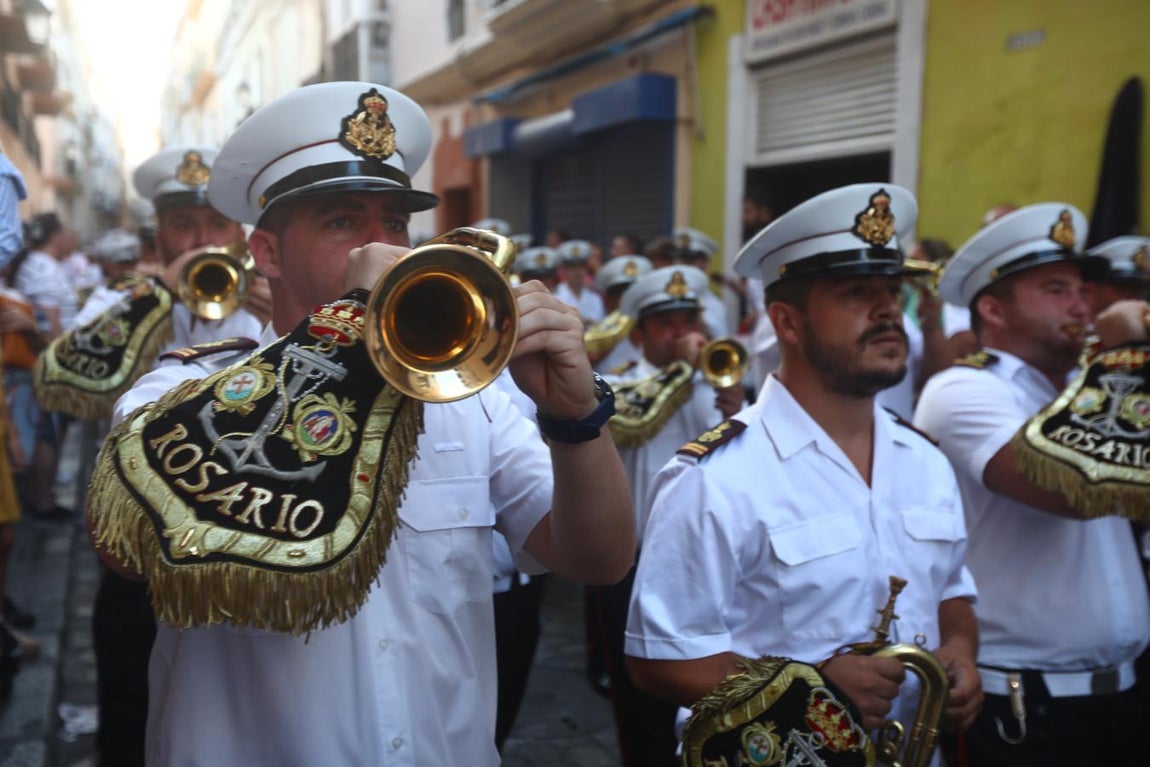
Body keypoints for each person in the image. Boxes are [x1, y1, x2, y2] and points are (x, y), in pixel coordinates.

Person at [87, 81, 635, 766]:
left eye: (396, 224)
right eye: (343, 222)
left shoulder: (471, 401)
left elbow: (599, 558)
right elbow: (124, 549)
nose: (382, 247)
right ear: (268, 253)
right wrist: (345, 325)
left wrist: (575, 418)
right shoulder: (181, 388)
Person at [625, 184, 982, 766]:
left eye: (893, 290)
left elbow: (952, 588)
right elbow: (660, 659)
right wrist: (811, 689)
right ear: (787, 321)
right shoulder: (714, 476)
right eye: (855, 293)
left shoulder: (925, 460)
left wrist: (962, 650)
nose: (888, 309)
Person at [914, 204, 1150, 766]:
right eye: (1054, 289)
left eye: (1081, 290)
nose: (1082, 305)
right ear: (993, 309)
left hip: (1125, 693)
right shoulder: (962, 390)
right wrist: (1120, 361)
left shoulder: (1087, 389)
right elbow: (1071, 489)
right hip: (1022, 705)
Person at [76, 146, 271, 767]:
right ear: (158, 231)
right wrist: (158, 297)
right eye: (184, 225)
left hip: (240, 542)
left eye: (216, 224)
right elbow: (75, 369)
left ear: (240, 234)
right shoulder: (123, 300)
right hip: (137, 549)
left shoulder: (271, 295)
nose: (201, 239)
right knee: (129, 708)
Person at [592, 264, 744, 767]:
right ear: (639, 335)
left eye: (688, 319)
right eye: (667, 324)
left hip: (707, 563)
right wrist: (686, 368)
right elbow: (626, 418)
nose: (682, 332)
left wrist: (733, 404)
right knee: (641, 704)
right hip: (635, 563)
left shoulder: (716, 383)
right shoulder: (618, 386)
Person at [588, 254, 652, 373]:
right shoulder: (597, 336)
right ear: (607, 300)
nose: (630, 301)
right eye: (622, 294)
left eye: (636, 293)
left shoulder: (658, 331)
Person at [672, 227, 730, 338]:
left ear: (705, 263)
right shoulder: (665, 295)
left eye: (690, 259)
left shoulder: (715, 305)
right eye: (680, 259)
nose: (684, 265)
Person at [554, 239, 605, 325]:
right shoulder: (555, 296)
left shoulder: (595, 298)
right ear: (564, 269)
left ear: (586, 268)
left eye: (581, 267)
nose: (577, 272)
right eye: (572, 267)